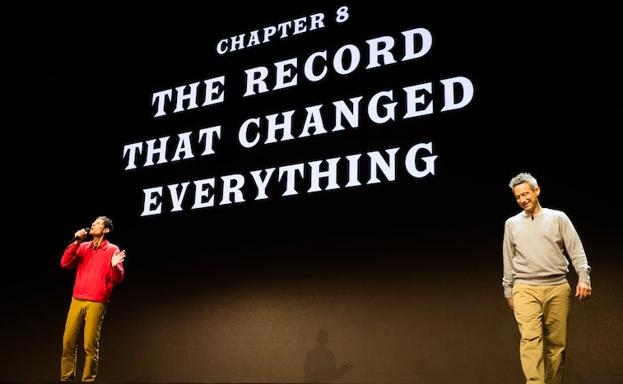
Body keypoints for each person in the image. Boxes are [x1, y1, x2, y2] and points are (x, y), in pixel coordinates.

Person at [502, 173, 592, 384]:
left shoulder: (558, 218)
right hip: (525, 288)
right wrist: (508, 290)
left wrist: (584, 277)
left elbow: (576, 250)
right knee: (530, 340)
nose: (523, 199)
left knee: (556, 346)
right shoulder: (512, 224)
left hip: (556, 287)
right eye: (518, 197)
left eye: (526, 194)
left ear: (537, 191)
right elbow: (508, 258)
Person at [60, 216, 126, 382]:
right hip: (77, 299)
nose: (93, 225)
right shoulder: (83, 246)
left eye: (97, 223)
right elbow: (65, 263)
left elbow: (117, 279)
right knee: (68, 342)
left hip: (96, 301)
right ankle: (66, 379)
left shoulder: (112, 249)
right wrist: (75, 241)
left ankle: (87, 380)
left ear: (106, 229)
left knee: (89, 345)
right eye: (93, 223)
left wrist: (114, 265)